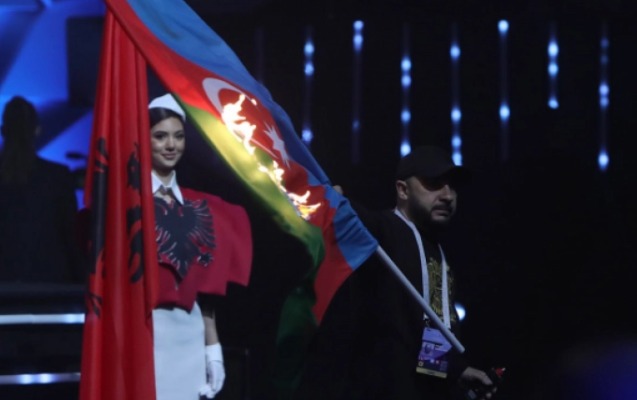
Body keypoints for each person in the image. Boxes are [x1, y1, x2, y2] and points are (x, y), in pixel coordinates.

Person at [295, 145, 498, 400]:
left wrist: (458, 372)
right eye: (434, 184)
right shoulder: (384, 231)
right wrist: (334, 202)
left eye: (452, 186)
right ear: (403, 190)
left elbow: (425, 337)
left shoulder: (437, 253)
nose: (448, 195)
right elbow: (355, 218)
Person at [147, 93, 253, 400]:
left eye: (178, 136)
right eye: (160, 136)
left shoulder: (203, 207)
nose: (171, 145)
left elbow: (205, 290)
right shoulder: (127, 205)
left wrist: (213, 349)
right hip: (144, 333)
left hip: (189, 335)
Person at [0, 95, 84, 284]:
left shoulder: (56, 176)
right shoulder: (57, 177)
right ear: (37, 130)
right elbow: (71, 239)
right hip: (50, 287)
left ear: (3, 130)